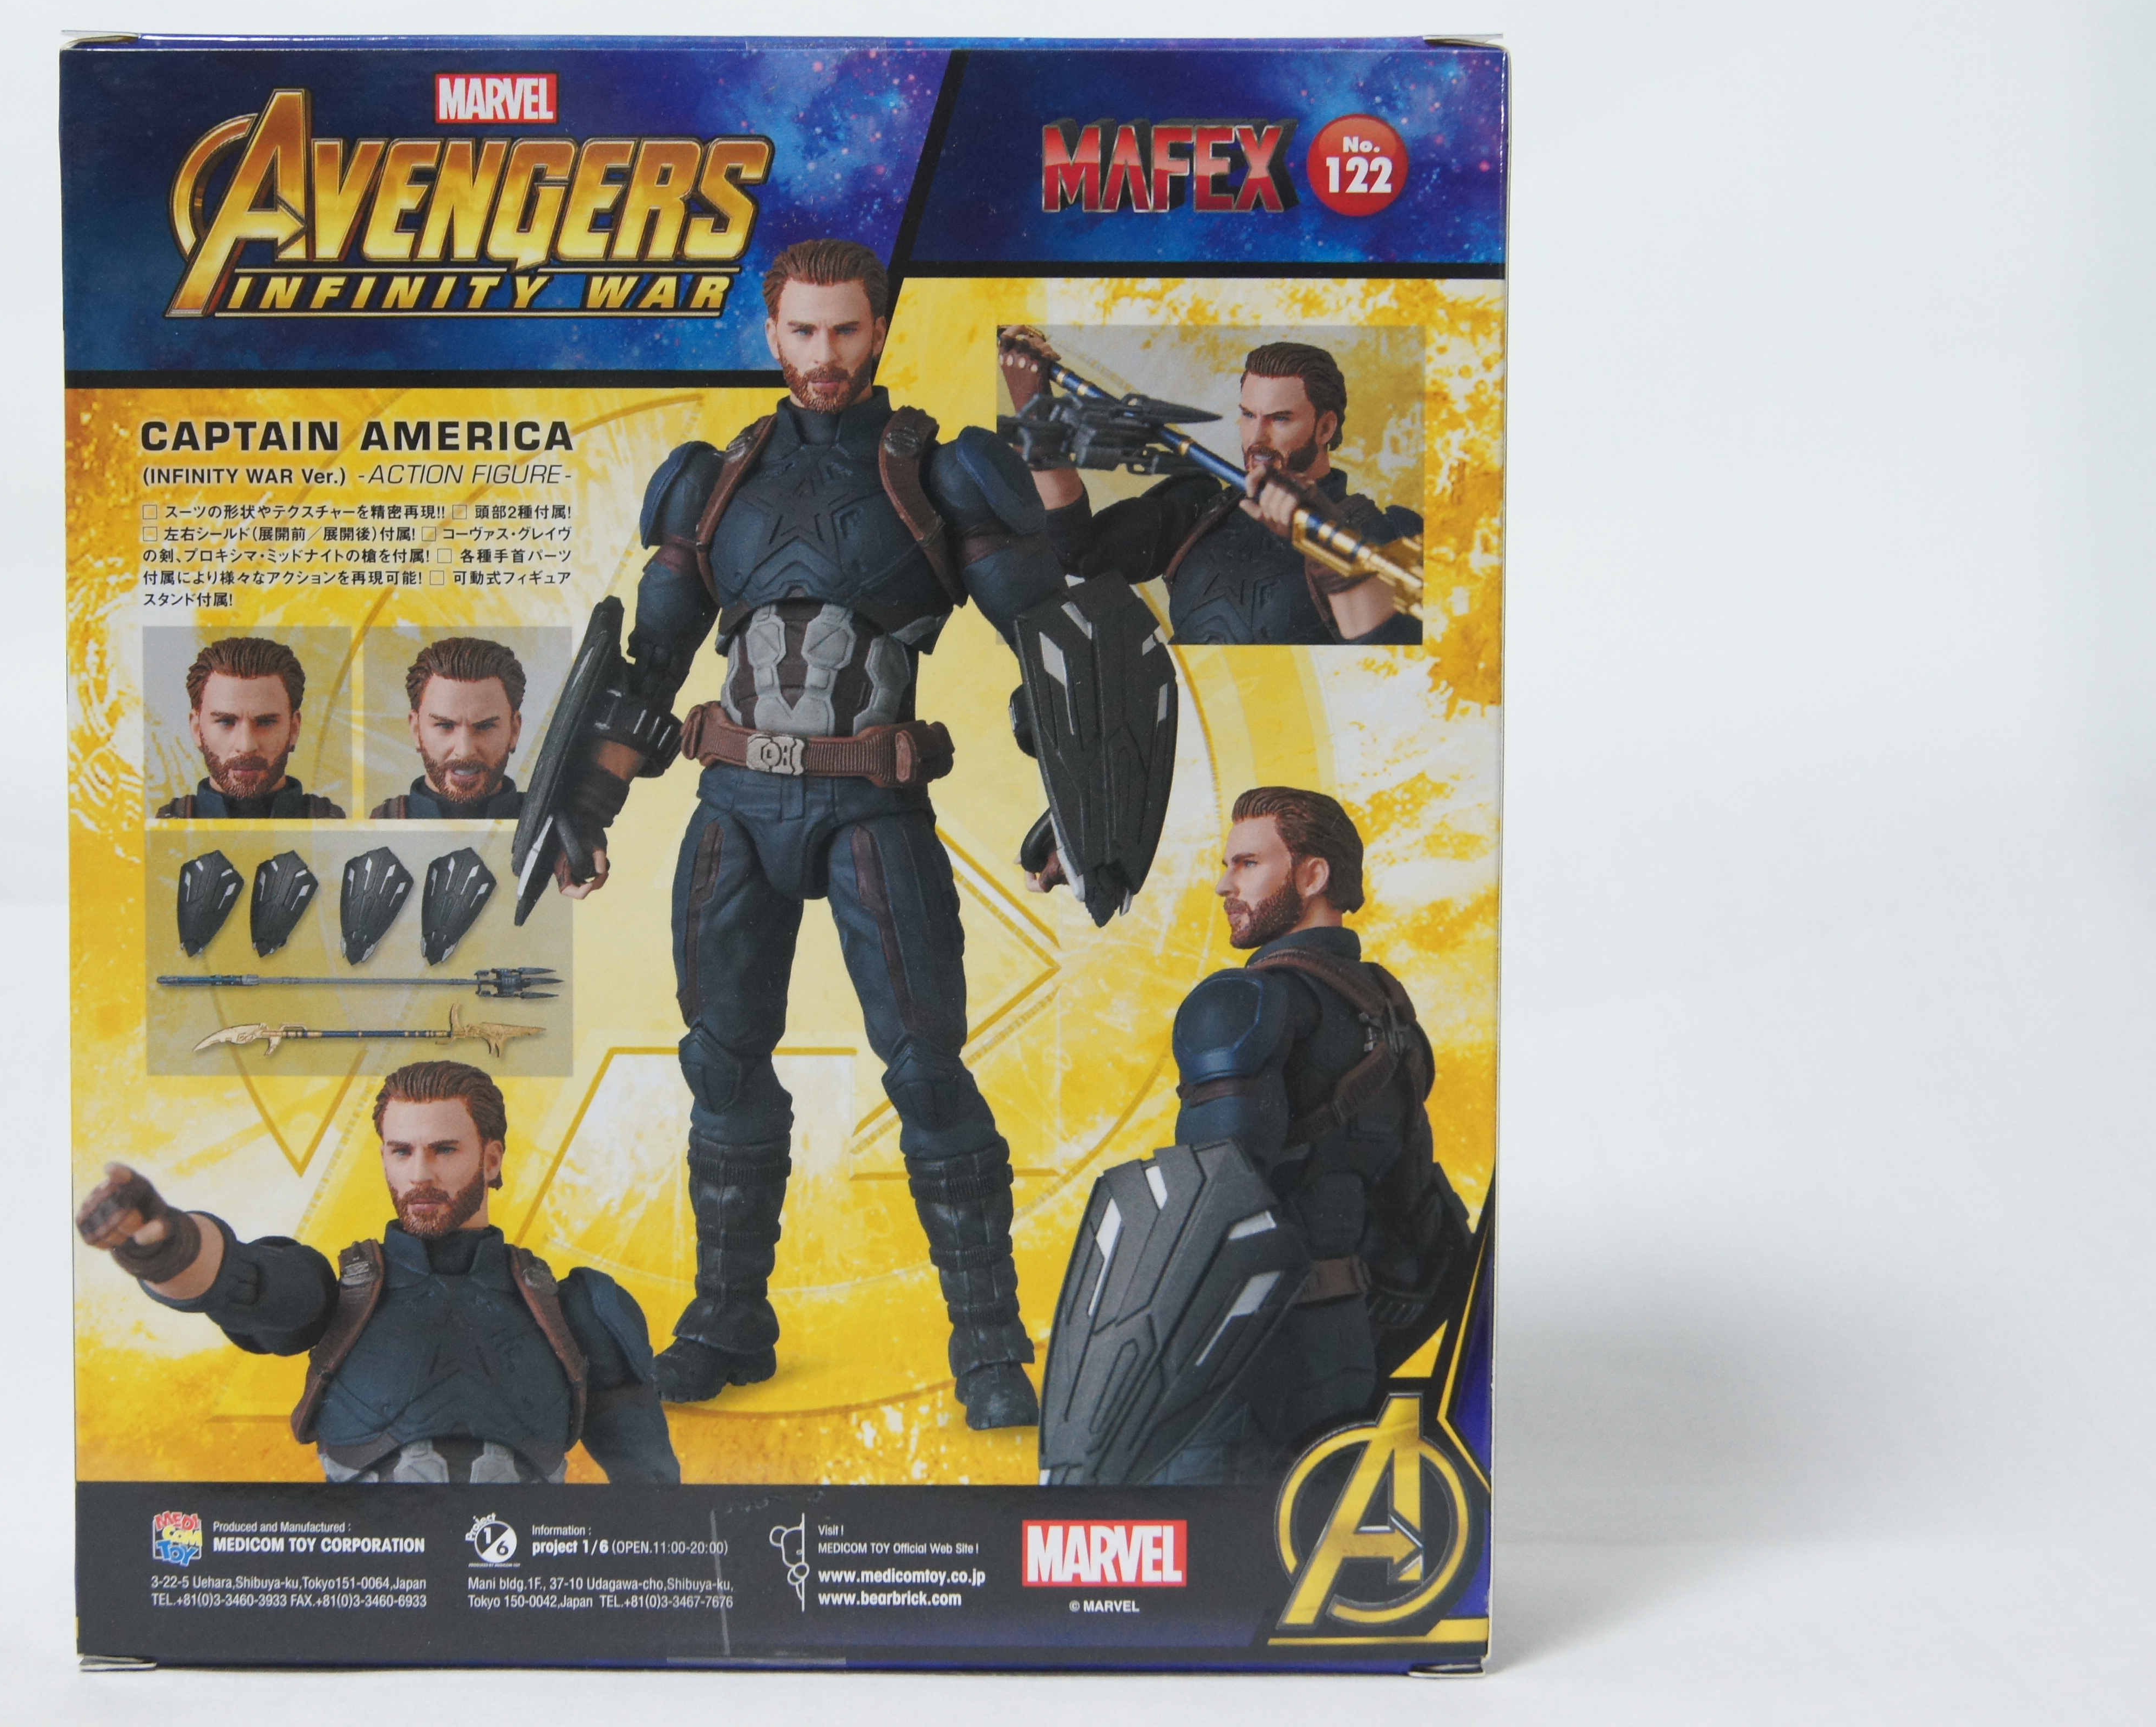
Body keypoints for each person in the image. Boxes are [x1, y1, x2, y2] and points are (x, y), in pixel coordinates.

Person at [539, 238, 1073, 1429]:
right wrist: (586, 807)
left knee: (925, 1070)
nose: (823, 353)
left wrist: (1076, 807)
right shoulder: (711, 481)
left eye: (844, 330)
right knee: (719, 1064)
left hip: (871, 808)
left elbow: (1050, 644)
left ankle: (989, 1346)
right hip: (733, 808)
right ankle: (726, 1323)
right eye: (802, 331)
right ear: (770, 333)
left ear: (877, 330)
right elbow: (650, 664)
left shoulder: (940, 471)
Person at [75, 1058, 679, 1485]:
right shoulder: (342, 1296)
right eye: (401, 1151)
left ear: (491, 1159)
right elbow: (243, 1281)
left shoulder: (572, 1310)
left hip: (520, 1582)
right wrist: (166, 1245)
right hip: (369, 1576)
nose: (420, 1174)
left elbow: (651, 1491)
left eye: (444, 1150)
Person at [1138, 787, 1468, 1481]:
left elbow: (1210, 1204)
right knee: (1315, 1530)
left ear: (1313, 876)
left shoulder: (1242, 1005)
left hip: (1241, 1359)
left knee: (1192, 1532)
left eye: (1247, 864)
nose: (1224, 885)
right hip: (1347, 1350)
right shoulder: (1391, 1020)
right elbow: (1420, 1217)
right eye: (1228, 865)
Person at [999, 332, 1424, 645]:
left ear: (1326, 428)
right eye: (1248, 415)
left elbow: (1391, 655)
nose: (1256, 438)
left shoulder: (1387, 532)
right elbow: (1078, 551)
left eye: (1280, 419)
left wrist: (1327, 546)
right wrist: (1037, 424)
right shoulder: (1202, 508)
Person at [157, 635, 347, 818]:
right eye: (226, 722)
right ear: (197, 729)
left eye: (266, 722)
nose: (247, 746)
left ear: (294, 729)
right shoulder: (163, 829)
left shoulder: (334, 825)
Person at [371, 636, 526, 820]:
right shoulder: (379, 824)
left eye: (485, 727)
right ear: (416, 729)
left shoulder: (553, 825)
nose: (465, 752)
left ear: (514, 731)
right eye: (445, 726)